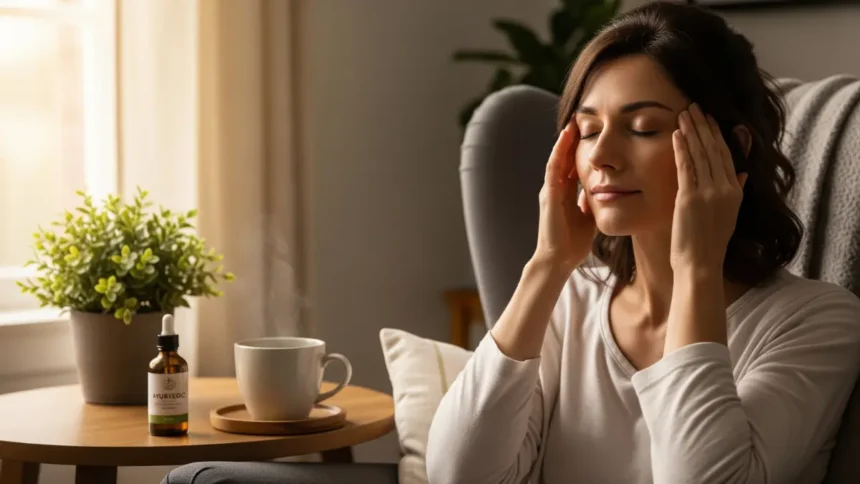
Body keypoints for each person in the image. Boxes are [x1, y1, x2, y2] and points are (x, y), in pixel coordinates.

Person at [425, 2, 860, 484]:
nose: (603, 158)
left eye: (643, 128)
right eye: (589, 131)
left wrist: (696, 268)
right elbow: (456, 474)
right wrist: (548, 265)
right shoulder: (570, 301)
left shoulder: (817, 322)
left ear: (731, 146)